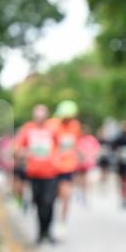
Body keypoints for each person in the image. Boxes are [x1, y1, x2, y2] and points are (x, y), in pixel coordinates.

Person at [15, 104, 59, 244]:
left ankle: (48, 231)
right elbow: (17, 148)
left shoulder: (53, 129)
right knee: (39, 204)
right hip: (34, 173)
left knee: (49, 202)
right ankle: (40, 233)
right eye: (37, 115)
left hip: (51, 173)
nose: (40, 118)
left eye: (42, 115)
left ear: (46, 116)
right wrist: (24, 152)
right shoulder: (27, 129)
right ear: (34, 116)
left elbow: (61, 148)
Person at [47, 100, 82, 235]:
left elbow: (75, 144)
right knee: (50, 198)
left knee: (66, 195)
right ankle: (49, 222)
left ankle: (62, 223)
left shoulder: (75, 126)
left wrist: (79, 156)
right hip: (52, 167)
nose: (68, 119)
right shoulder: (52, 125)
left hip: (67, 167)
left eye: (71, 117)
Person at [75, 124, 101, 205]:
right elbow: (76, 149)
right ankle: (79, 191)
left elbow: (97, 149)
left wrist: (92, 156)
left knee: (86, 180)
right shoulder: (79, 139)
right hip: (80, 163)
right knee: (79, 179)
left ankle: (84, 194)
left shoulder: (91, 139)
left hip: (88, 163)